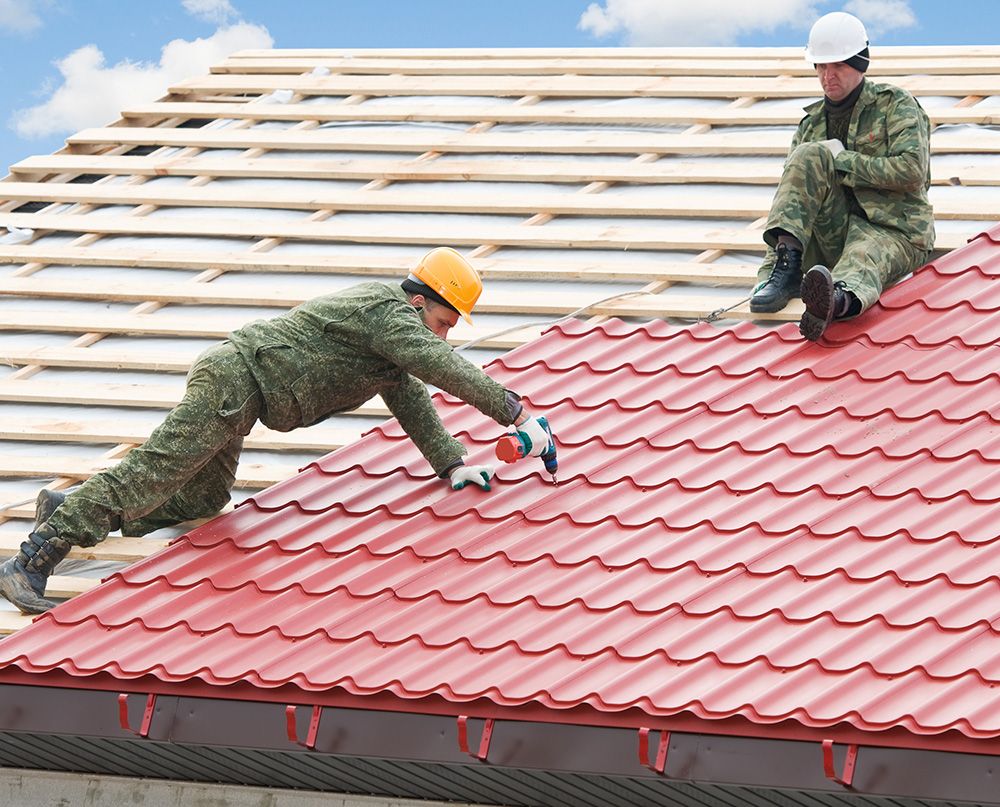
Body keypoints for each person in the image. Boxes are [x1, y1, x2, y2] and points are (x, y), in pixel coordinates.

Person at [0, 247, 555, 614]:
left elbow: (411, 397)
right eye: (440, 324)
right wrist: (517, 414)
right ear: (418, 303)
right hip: (236, 378)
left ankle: (67, 507)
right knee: (155, 471)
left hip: (248, 392)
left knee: (205, 496)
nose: (441, 338)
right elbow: (442, 369)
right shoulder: (387, 313)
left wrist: (452, 464)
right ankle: (31, 560)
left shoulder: (391, 345)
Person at [749, 11, 935, 340]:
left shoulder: (895, 106)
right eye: (821, 66)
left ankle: (836, 301)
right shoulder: (810, 126)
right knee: (808, 155)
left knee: (865, 254)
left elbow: (912, 172)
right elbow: (794, 205)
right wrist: (769, 275)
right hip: (834, 233)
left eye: (837, 66)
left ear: (859, 64)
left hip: (893, 229)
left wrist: (844, 160)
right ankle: (790, 271)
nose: (827, 76)